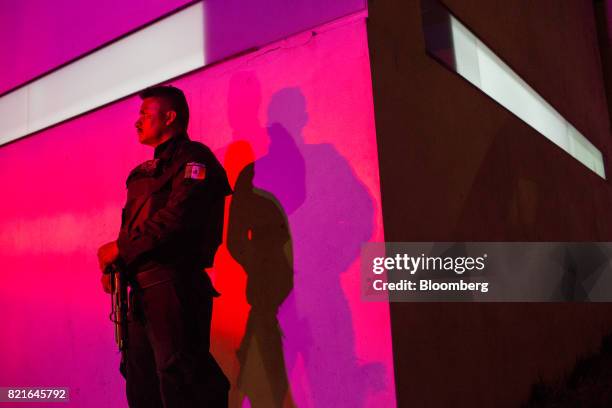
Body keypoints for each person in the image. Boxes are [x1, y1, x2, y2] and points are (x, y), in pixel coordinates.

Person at [97, 85, 232, 407]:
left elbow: (178, 218)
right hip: (141, 288)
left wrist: (121, 249)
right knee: (140, 379)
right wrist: (119, 266)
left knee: (181, 377)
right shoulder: (145, 171)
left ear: (169, 117)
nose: (137, 121)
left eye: (145, 113)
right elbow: (136, 222)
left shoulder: (194, 158)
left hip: (174, 282)